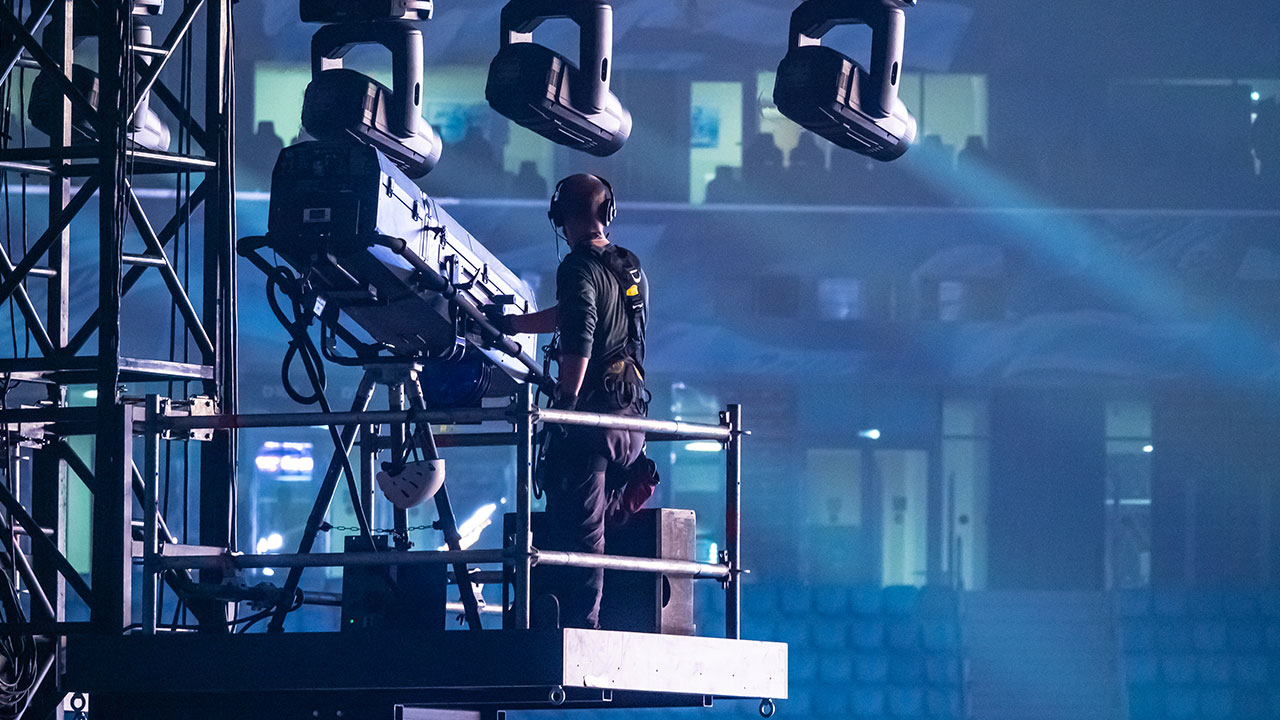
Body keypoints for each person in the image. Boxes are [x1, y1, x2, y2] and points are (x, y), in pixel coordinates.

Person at [492, 173, 659, 629]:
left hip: (593, 425)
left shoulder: (576, 268)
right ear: (608, 214)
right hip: (631, 423)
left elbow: (580, 335)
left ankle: (581, 630)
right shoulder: (630, 267)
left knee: (582, 536)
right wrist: (514, 326)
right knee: (590, 517)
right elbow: (573, 315)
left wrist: (563, 404)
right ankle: (632, 491)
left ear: (560, 217)